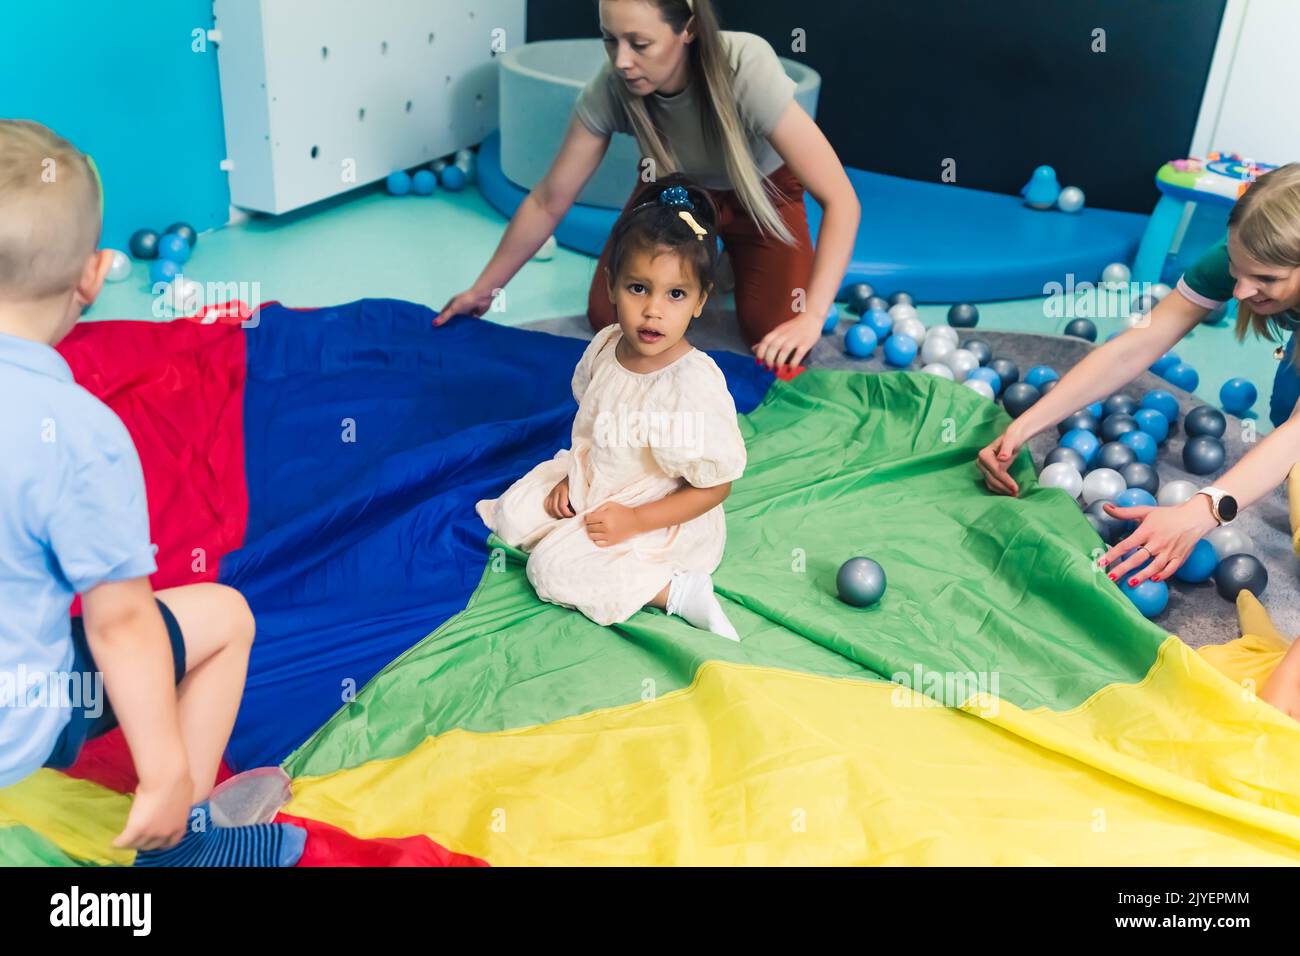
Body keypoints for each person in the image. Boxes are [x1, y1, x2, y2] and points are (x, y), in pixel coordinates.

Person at [0, 119, 304, 866]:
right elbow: (121, 625)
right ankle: (184, 846)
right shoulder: (79, 431)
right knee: (225, 617)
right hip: (19, 718)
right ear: (93, 276)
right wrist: (163, 773)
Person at [440, 0, 859, 371]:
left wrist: (812, 315)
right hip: (677, 195)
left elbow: (841, 200)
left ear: (688, 29)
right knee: (612, 316)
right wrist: (485, 289)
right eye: (610, 40)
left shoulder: (743, 64)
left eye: (639, 44)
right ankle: (707, 255)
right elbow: (550, 199)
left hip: (760, 192)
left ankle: (729, 263)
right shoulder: (612, 86)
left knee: (777, 336)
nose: (621, 61)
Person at [477, 176, 746, 639]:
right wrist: (569, 479)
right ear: (611, 286)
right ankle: (582, 532)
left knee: (550, 570)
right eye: (638, 288)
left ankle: (675, 589)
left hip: (659, 511)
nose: (653, 311)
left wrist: (634, 520)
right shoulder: (605, 346)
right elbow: (594, 433)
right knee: (513, 513)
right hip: (598, 482)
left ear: (701, 299)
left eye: (675, 294)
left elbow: (714, 488)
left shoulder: (690, 386)